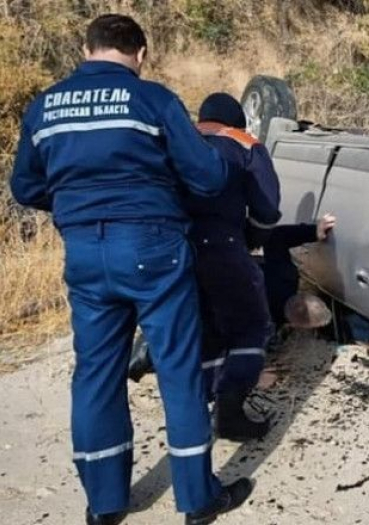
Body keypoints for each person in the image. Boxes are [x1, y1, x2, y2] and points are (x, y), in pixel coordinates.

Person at [10, 14, 251, 525]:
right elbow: (206, 177)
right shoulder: (152, 99)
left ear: (86, 48)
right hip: (152, 245)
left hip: (83, 252)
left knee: (96, 373)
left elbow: (26, 188)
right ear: (141, 53)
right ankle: (197, 498)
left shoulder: (45, 106)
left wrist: (76, 201)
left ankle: (105, 503)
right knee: (179, 371)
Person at [187, 92, 282, 442]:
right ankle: (229, 409)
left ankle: (204, 401)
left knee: (204, 326)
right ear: (237, 120)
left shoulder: (179, 139)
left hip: (174, 249)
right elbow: (267, 206)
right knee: (251, 325)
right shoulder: (243, 142)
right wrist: (252, 236)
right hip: (223, 246)